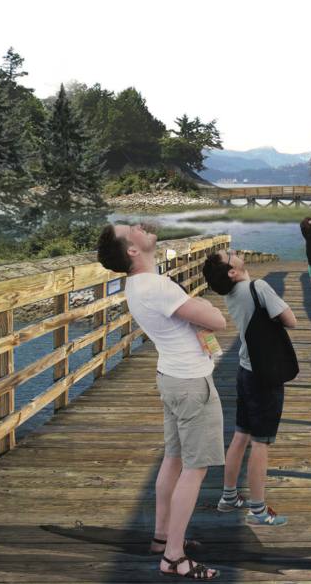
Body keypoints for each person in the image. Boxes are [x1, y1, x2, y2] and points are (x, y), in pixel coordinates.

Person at [96, 223, 225, 580]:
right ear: (132, 250)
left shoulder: (136, 286)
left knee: (175, 457)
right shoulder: (156, 286)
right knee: (195, 469)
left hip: (170, 376)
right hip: (190, 383)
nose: (140, 226)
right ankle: (173, 557)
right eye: (131, 229)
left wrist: (189, 303)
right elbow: (217, 321)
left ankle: (163, 535)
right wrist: (196, 302)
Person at [202, 249, 298, 526]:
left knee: (241, 435)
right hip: (265, 375)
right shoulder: (259, 287)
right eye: (229, 254)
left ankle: (228, 496)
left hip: (245, 370)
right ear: (232, 271)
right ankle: (258, 509)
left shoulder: (233, 294)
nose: (234, 251)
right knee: (260, 443)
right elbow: (291, 320)